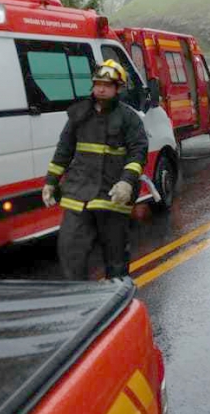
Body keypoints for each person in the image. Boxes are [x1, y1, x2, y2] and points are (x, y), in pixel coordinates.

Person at [43, 59, 149, 280]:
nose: (100, 88)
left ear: (118, 88)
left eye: (107, 85)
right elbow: (64, 149)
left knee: (116, 259)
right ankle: (81, 302)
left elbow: (138, 151)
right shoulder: (78, 114)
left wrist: (127, 182)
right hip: (77, 196)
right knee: (71, 251)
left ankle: (118, 300)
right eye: (97, 83)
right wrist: (51, 181)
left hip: (112, 197)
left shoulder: (129, 118)